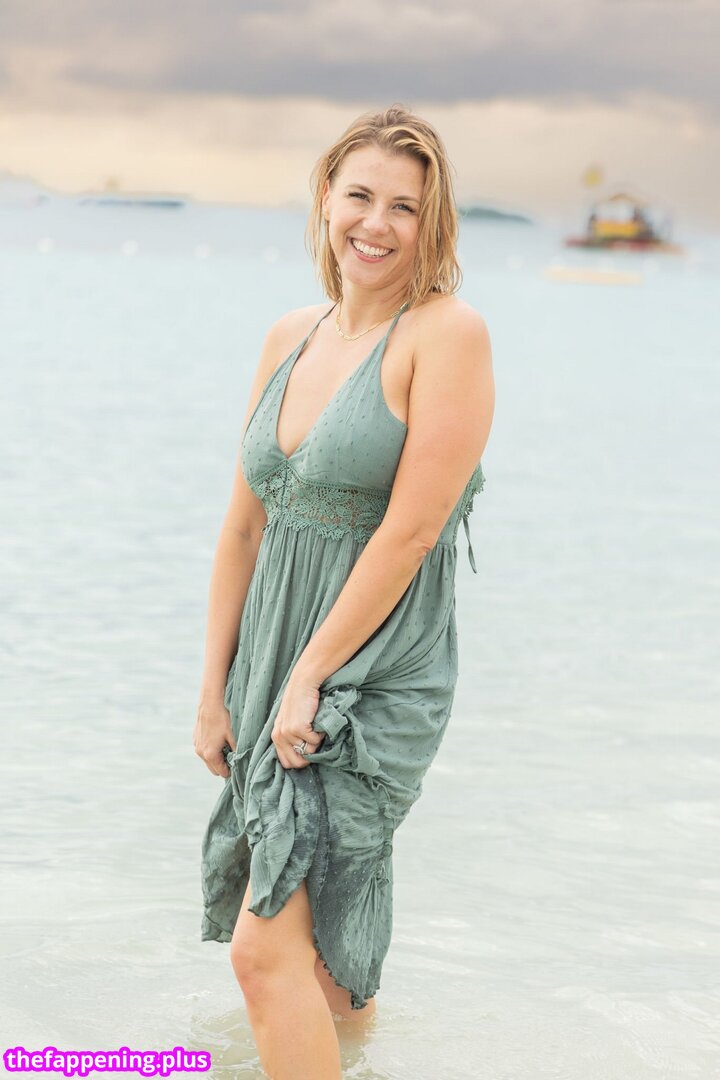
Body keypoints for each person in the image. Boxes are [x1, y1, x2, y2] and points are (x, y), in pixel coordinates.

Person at [193, 102, 495, 1080]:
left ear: (431, 223)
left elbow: (412, 531)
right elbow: (244, 527)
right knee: (320, 962)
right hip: (275, 660)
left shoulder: (446, 335)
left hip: (372, 670)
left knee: (261, 952)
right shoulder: (290, 334)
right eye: (360, 195)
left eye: (404, 207)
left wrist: (310, 675)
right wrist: (215, 688)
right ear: (326, 197)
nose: (377, 223)